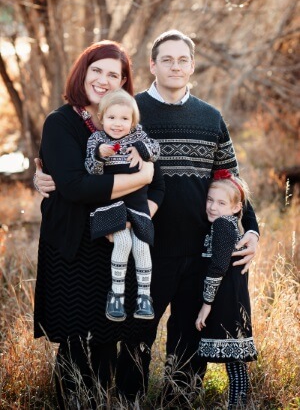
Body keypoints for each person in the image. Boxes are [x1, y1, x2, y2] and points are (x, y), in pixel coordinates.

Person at [34, 30, 259, 406]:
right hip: (144, 242)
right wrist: (45, 176)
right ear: (152, 65)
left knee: (187, 340)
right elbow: (81, 165)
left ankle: (179, 400)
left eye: (182, 59)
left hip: (197, 249)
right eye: (166, 59)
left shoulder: (210, 117)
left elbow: (229, 178)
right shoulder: (127, 110)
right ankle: (127, 401)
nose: (175, 66)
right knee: (132, 337)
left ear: (192, 65)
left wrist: (251, 228)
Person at [33, 40, 165, 409]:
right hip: (73, 244)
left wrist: (143, 214)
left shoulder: (126, 122)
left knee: (109, 335)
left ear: (124, 82)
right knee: (75, 341)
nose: (104, 80)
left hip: (117, 242)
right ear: (83, 72)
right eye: (97, 71)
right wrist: (140, 179)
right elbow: (75, 186)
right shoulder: (62, 122)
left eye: (114, 75)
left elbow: (160, 183)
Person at [85, 88, 160, 321]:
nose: (118, 124)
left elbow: (155, 151)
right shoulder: (97, 139)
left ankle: (144, 297)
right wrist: (100, 155)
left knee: (142, 246)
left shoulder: (138, 136)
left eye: (124, 119)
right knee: (124, 241)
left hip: (137, 204)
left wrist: (141, 150)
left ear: (133, 121)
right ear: (102, 117)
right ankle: (116, 295)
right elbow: (91, 171)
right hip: (111, 205)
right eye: (112, 118)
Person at [195, 169, 257, 409]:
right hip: (232, 299)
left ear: (236, 208)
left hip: (226, 301)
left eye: (221, 203)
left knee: (235, 363)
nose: (212, 207)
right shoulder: (225, 222)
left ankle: (237, 406)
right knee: (235, 362)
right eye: (209, 200)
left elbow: (218, 267)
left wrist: (205, 304)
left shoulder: (222, 225)